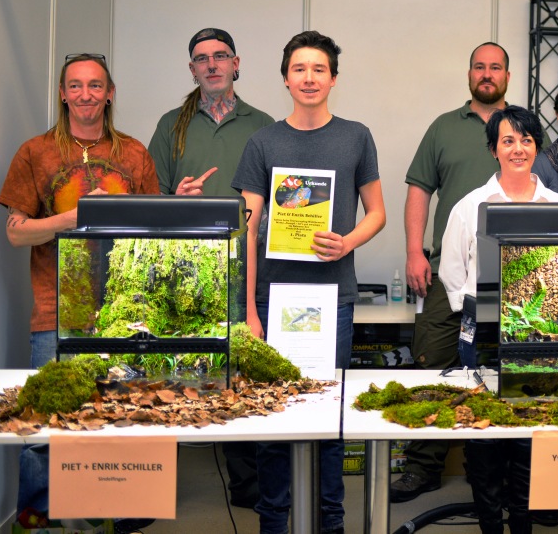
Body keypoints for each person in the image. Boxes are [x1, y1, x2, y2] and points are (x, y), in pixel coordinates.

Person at [232, 31, 386, 534]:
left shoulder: (356, 136)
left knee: (328, 414)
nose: (309, 78)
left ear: (334, 78)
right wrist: (251, 311)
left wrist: (347, 242)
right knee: (273, 415)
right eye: (299, 69)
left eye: (319, 69)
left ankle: (330, 522)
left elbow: (377, 213)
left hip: (332, 300)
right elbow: (248, 231)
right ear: (285, 79)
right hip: (272, 300)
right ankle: (274, 521)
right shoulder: (263, 142)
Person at [0, 53, 159, 523]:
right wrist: (70, 219)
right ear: (64, 93)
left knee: (126, 416)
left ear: (110, 93)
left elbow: (154, 230)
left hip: (124, 312)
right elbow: (14, 232)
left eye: (95, 85)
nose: (85, 94)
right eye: (75, 85)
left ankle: (121, 518)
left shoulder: (134, 153)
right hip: (55, 309)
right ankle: (39, 519)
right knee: (45, 425)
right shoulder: (36, 152)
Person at [148, 27, 274, 509]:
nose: (213, 65)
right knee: (173, 374)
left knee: (240, 372)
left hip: (246, 271)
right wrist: (175, 199)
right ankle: (151, 487)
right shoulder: (171, 126)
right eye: (202, 58)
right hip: (184, 269)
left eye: (221, 56)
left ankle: (248, 486)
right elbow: (151, 196)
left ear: (237, 63)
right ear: (192, 69)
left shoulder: (262, 124)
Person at [440, 105, 558, 534]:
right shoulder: (470, 206)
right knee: (484, 434)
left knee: (531, 431)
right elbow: (452, 270)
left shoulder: (557, 205)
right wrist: (474, 314)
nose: (518, 148)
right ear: (493, 149)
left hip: (540, 337)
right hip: (483, 337)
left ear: (537, 147)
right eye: (508, 140)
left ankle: (524, 523)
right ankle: (491, 523)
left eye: (526, 139)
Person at [395, 42, 510, 502]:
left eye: (495, 67)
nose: (487, 74)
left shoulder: (520, 127)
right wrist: (414, 254)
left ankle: (505, 473)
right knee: (433, 363)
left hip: (514, 276)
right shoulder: (443, 127)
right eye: (479, 66)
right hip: (448, 273)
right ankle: (423, 466)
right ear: (469, 74)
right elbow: (419, 192)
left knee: (510, 370)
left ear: (507, 74)